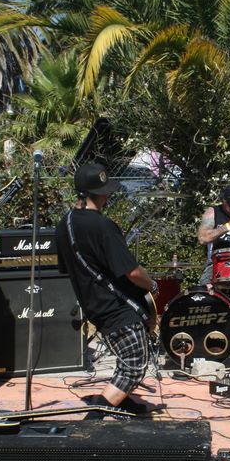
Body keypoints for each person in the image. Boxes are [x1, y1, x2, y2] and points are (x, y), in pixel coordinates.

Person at [55, 163, 158, 413]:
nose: (108, 196)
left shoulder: (64, 224)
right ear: (98, 194)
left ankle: (121, 401)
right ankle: (97, 415)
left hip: (93, 304)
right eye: (105, 192)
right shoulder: (102, 225)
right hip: (117, 305)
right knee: (134, 364)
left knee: (125, 358)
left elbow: (67, 269)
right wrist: (152, 285)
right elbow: (132, 272)